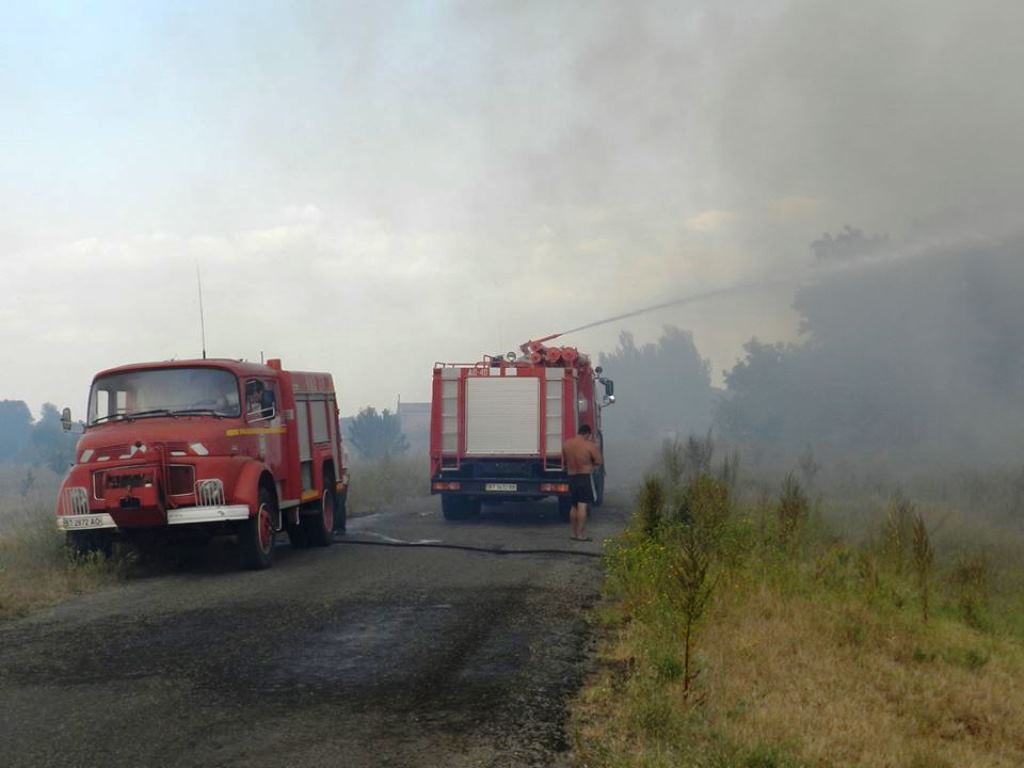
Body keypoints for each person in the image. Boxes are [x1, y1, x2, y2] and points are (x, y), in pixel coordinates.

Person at [562, 423, 603, 541]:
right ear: (587, 434)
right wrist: (592, 465)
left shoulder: (567, 444)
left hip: (571, 477)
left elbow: (564, 461)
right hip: (584, 477)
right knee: (582, 506)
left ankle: (573, 533)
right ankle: (581, 535)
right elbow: (599, 461)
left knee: (573, 506)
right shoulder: (589, 445)